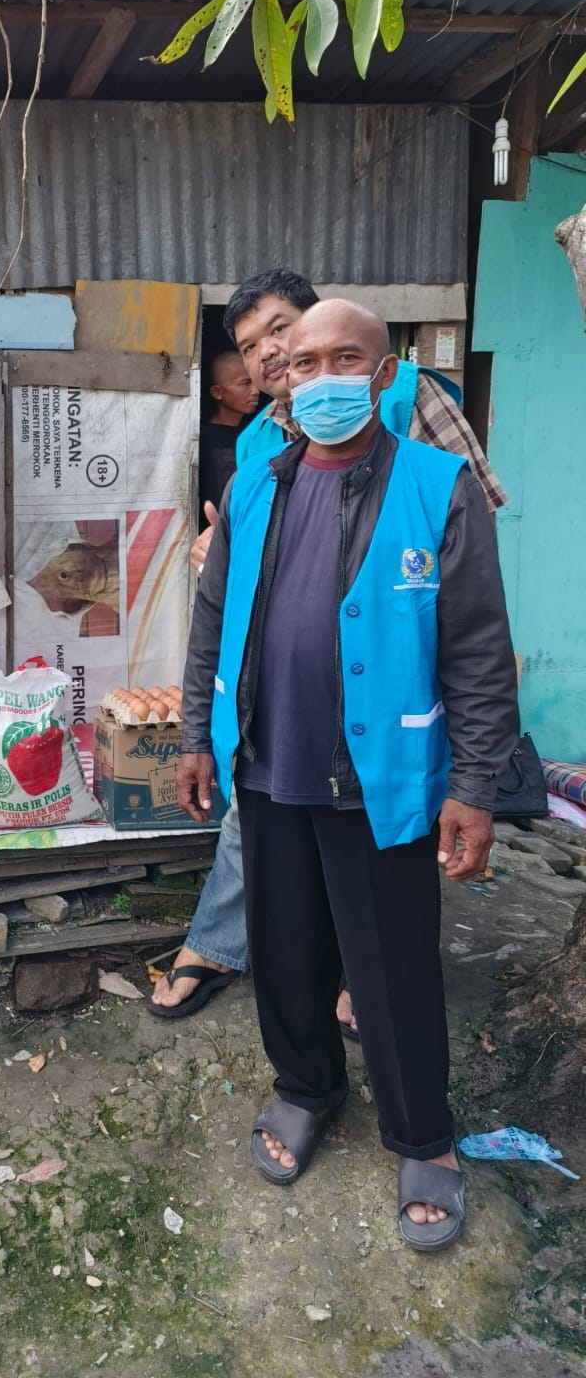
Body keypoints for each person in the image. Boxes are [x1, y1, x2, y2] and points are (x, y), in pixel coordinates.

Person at [176, 299, 518, 1250]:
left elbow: (479, 649)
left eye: (345, 359)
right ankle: (305, 1088)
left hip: (382, 775)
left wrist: (475, 786)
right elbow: (213, 619)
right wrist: (198, 736)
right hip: (267, 763)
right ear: (282, 379)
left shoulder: (437, 485)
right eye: (303, 362)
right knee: (284, 951)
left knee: (391, 963)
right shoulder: (255, 484)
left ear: (385, 371)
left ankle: (422, 1136)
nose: (321, 378)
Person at [151, 267, 506, 1029]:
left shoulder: (410, 400)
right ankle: (252, 967)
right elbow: (223, 603)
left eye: (281, 329)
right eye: (253, 346)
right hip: (278, 718)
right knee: (271, 849)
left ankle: (358, 979)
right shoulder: (260, 445)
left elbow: (470, 556)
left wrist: (476, 774)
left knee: (383, 867)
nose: (271, 353)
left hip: (388, 708)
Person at [198, 348, 260, 521]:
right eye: (245, 383)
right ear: (217, 392)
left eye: (255, 381)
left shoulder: (255, 433)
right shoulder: (204, 440)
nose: (255, 390)